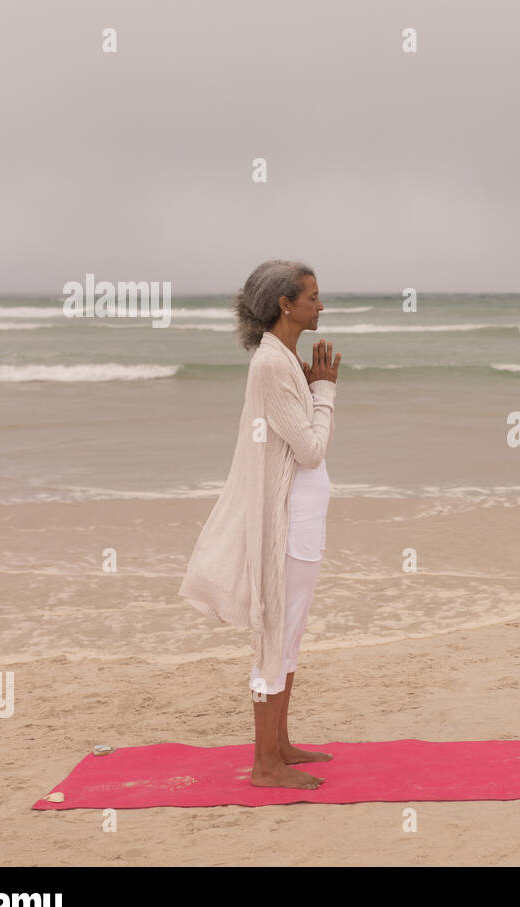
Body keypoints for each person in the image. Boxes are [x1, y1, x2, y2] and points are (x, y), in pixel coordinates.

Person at [179, 259, 341, 789]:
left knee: (289, 636)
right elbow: (311, 450)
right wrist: (326, 392)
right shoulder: (272, 365)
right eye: (312, 297)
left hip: (304, 523)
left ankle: (281, 745)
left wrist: (312, 388)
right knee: (273, 639)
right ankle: (264, 764)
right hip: (285, 527)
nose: (321, 305)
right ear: (285, 305)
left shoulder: (285, 359)